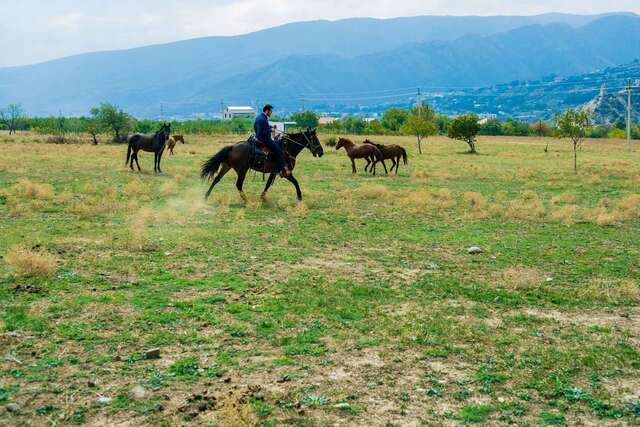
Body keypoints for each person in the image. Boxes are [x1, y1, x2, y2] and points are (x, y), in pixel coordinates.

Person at [254, 104, 290, 177]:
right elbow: (260, 132)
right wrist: (271, 130)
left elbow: (256, 127)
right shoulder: (262, 119)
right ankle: (283, 169)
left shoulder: (260, 117)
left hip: (261, 138)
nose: (271, 113)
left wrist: (271, 127)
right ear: (267, 111)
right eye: (270, 111)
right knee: (279, 151)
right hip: (264, 139)